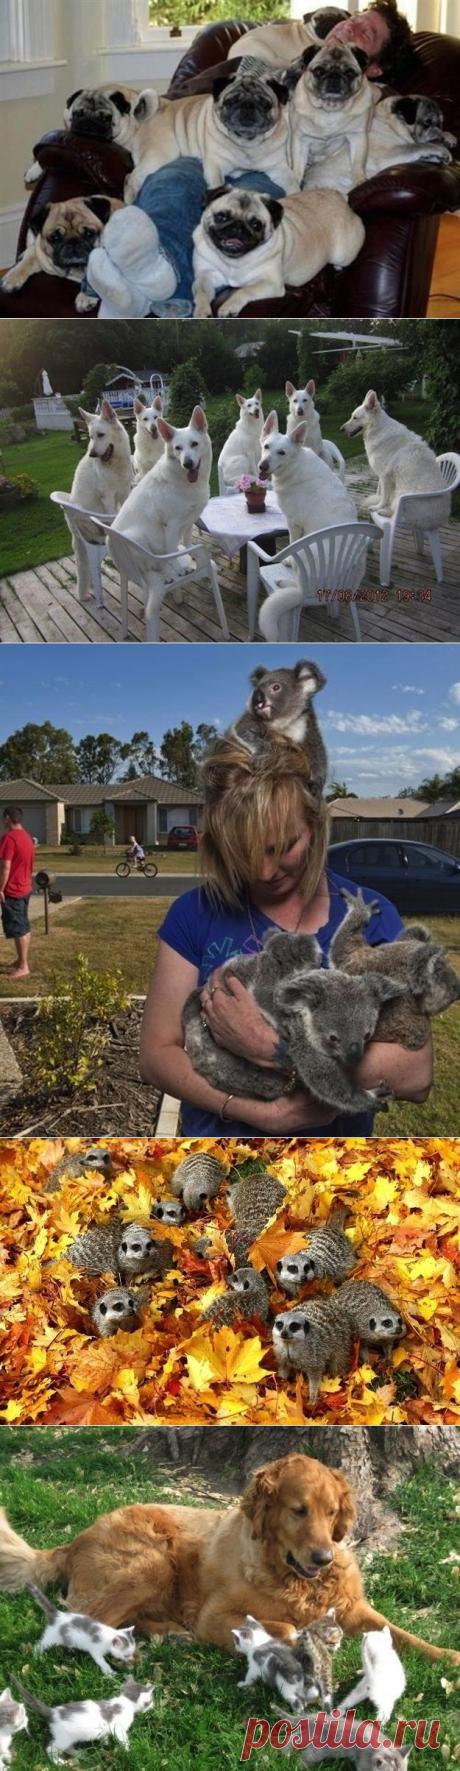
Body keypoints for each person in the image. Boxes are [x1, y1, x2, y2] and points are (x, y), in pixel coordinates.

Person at [140, 746, 432, 1136]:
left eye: (282, 847)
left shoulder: (372, 919)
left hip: (332, 1168)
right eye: (244, 852)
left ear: (314, 824)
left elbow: (416, 1073)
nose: (263, 871)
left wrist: (277, 1050)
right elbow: (156, 1055)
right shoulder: (193, 914)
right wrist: (255, 1113)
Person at [0, 804, 36, 980]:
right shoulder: (27, 837)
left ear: (7, 818)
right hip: (25, 887)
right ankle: (21, 960)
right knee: (23, 926)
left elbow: (5, 867)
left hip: (13, 889)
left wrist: (0, 889)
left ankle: (23, 966)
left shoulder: (10, 838)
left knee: (18, 928)